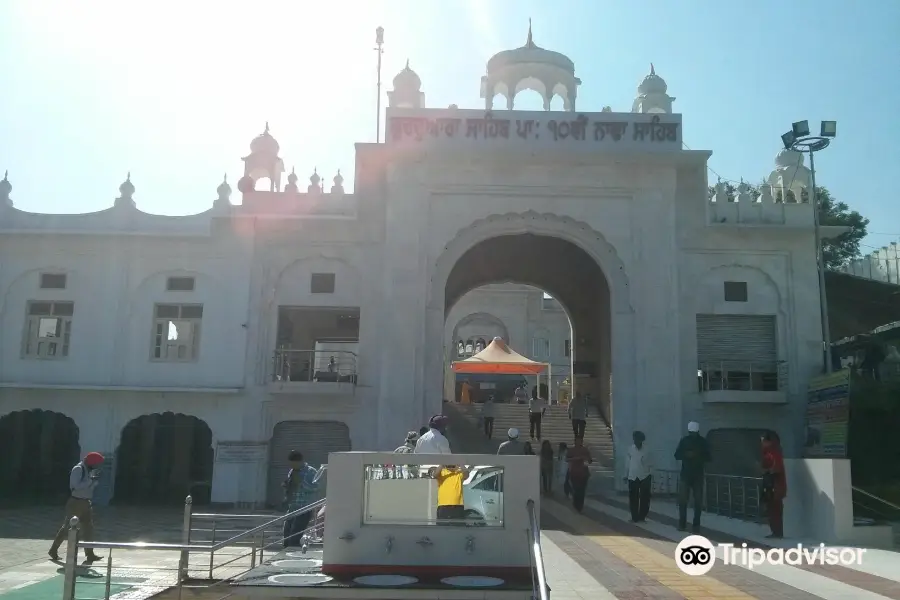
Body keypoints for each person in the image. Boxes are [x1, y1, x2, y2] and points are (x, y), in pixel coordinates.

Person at [49, 452, 105, 562]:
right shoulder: (78, 469)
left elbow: (90, 487)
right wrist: (90, 481)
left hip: (86, 502)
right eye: (96, 464)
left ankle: (90, 554)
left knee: (88, 529)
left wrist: (94, 481)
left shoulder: (89, 470)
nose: (97, 466)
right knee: (67, 528)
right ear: (92, 462)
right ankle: (53, 550)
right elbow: (75, 486)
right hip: (76, 502)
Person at [674, 421, 711, 532]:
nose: (692, 435)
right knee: (683, 501)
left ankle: (695, 525)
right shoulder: (685, 441)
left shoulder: (702, 442)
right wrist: (686, 454)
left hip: (696, 475)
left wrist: (697, 456)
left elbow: (709, 457)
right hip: (687, 475)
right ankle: (682, 524)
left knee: (698, 502)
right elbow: (677, 455)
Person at [282, 451, 320, 548]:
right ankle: (285, 551)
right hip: (292, 506)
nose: (292, 466)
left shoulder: (311, 471)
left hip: (304, 507)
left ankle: (292, 552)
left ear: (300, 462)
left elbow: (316, 487)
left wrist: (302, 484)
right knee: (286, 532)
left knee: (296, 533)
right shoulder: (292, 471)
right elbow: (291, 486)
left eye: (294, 464)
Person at [761, 432, 786, 538]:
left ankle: (777, 532)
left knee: (774, 509)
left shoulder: (772, 452)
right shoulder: (771, 452)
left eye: (763, 440)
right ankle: (776, 531)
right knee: (773, 509)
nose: (762, 443)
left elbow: (777, 468)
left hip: (773, 486)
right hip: (773, 485)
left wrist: (766, 471)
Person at [626, 431, 652, 523]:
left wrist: (649, 474)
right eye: (635, 439)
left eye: (638, 440)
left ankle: (642, 516)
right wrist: (626, 475)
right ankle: (634, 517)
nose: (636, 441)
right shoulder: (630, 449)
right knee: (633, 497)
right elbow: (627, 463)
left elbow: (649, 464)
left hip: (644, 475)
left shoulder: (647, 450)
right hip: (633, 475)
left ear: (641, 440)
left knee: (645, 497)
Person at [567, 436, 593, 512]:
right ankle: (576, 503)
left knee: (582, 490)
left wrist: (586, 458)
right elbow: (566, 459)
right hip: (574, 473)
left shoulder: (585, 450)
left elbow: (590, 461)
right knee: (576, 489)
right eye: (577, 441)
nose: (578, 443)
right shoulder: (571, 450)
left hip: (584, 473)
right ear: (574, 442)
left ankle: (580, 506)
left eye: (580, 441)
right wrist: (575, 458)